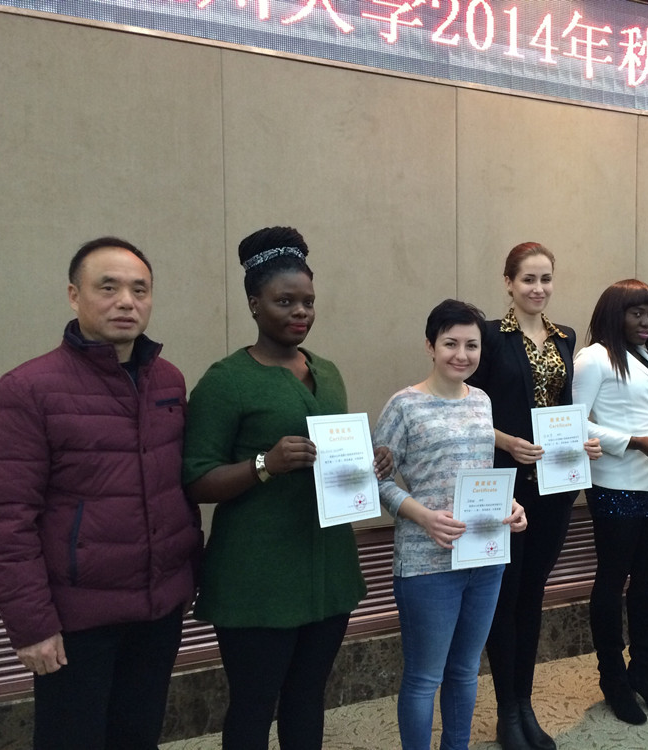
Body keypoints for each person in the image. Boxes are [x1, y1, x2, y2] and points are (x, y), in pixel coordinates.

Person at [0, 237, 202, 750]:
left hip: (158, 611)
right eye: (108, 287)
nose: (126, 301)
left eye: (139, 289)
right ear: (73, 296)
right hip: (76, 619)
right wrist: (32, 627)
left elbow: (176, 487)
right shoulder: (27, 389)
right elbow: (6, 519)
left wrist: (188, 576)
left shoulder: (167, 380)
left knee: (138, 737)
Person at [182, 227, 392, 750]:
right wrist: (264, 464)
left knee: (307, 696)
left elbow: (335, 457)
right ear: (254, 304)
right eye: (284, 301)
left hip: (327, 568)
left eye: (308, 302)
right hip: (257, 576)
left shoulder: (328, 373)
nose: (300, 312)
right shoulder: (226, 381)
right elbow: (196, 479)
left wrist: (370, 461)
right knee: (254, 704)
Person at [373, 299, 528, 750]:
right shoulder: (404, 406)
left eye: (471, 345)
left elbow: (480, 472)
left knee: (465, 670)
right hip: (426, 563)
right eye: (450, 344)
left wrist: (511, 505)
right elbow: (375, 482)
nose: (461, 355)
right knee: (425, 677)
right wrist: (423, 515)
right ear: (430, 346)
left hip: (485, 556)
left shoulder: (481, 400)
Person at [467, 242, 599, 750]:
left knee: (533, 595)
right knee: (506, 597)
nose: (538, 289)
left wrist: (582, 440)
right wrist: (504, 440)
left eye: (545, 279)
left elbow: (565, 408)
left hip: (554, 486)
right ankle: (508, 711)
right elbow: (467, 409)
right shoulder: (488, 337)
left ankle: (525, 704)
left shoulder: (565, 337)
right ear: (508, 282)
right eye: (528, 279)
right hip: (505, 485)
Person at [572, 279, 648, 724]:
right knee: (612, 581)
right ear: (614, 314)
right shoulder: (593, 358)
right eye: (636, 313)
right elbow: (573, 424)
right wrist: (632, 441)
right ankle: (613, 679)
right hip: (615, 484)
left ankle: (644, 673)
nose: (646, 322)